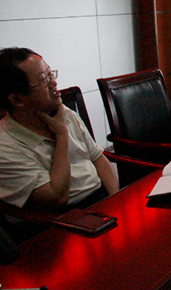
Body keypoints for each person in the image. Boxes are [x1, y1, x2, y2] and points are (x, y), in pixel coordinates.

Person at [0, 47, 119, 213]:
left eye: (50, 74)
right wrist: (62, 135)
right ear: (17, 100)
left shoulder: (62, 112)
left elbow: (97, 158)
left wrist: (116, 201)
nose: (53, 83)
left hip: (101, 199)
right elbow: (57, 198)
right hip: (63, 216)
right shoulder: (5, 148)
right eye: (43, 80)